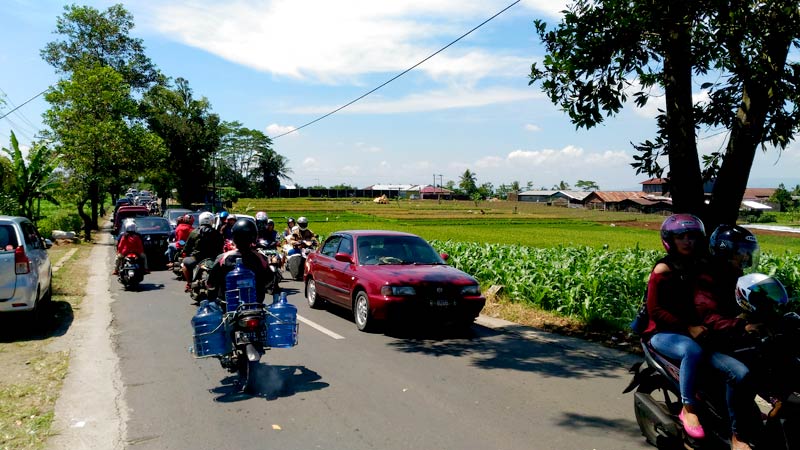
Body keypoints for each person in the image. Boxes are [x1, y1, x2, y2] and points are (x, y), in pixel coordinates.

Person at [693, 225, 763, 450]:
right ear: (724, 252)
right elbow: (709, 317)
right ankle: (737, 436)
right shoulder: (706, 278)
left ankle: (747, 411)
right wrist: (742, 324)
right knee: (739, 374)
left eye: (748, 252)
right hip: (708, 341)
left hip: (730, 336)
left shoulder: (735, 275)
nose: (746, 257)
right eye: (741, 252)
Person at [642, 214, 708, 439]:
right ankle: (689, 409)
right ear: (670, 240)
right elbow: (655, 311)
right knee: (692, 350)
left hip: (694, 328)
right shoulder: (663, 269)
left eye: (691, 237)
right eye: (681, 237)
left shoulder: (699, 266)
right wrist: (688, 327)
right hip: (662, 332)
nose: (687, 241)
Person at [207, 218, 272, 304]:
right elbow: (270, 280)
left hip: (228, 307)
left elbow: (211, 282)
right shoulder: (260, 258)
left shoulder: (223, 258)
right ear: (254, 236)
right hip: (255, 306)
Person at [182, 211, 224, 292]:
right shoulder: (216, 233)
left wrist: (186, 252)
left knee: (184, 265)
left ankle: (189, 283)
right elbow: (220, 247)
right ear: (212, 220)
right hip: (212, 259)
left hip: (196, 258)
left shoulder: (194, 232)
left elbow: (187, 247)